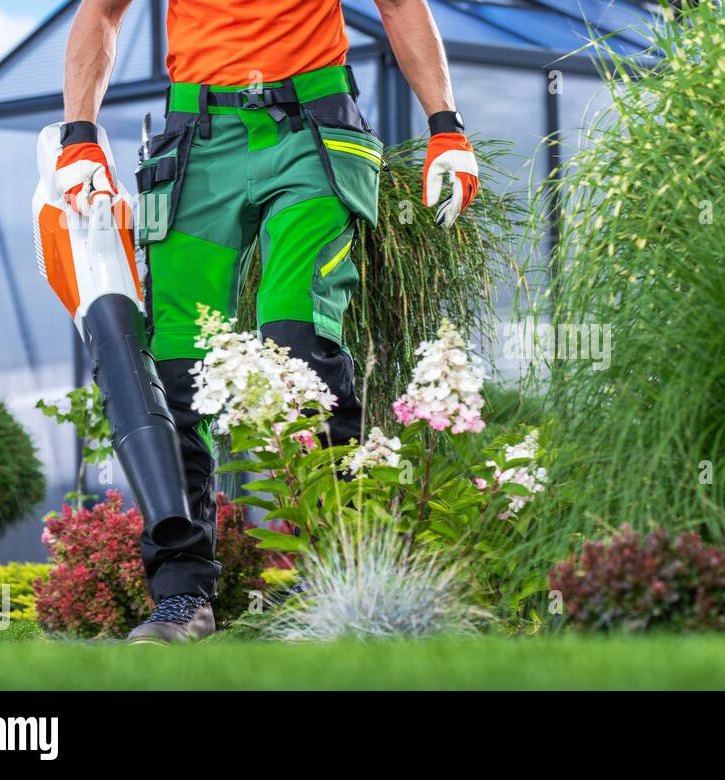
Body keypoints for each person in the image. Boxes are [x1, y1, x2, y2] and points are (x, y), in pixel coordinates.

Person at [54, 0, 479, 643]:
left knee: (298, 342)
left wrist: (446, 126)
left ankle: (345, 579)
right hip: (197, 143)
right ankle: (181, 598)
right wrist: (77, 137)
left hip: (312, 133)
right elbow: (101, 14)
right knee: (177, 368)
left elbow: (398, 5)